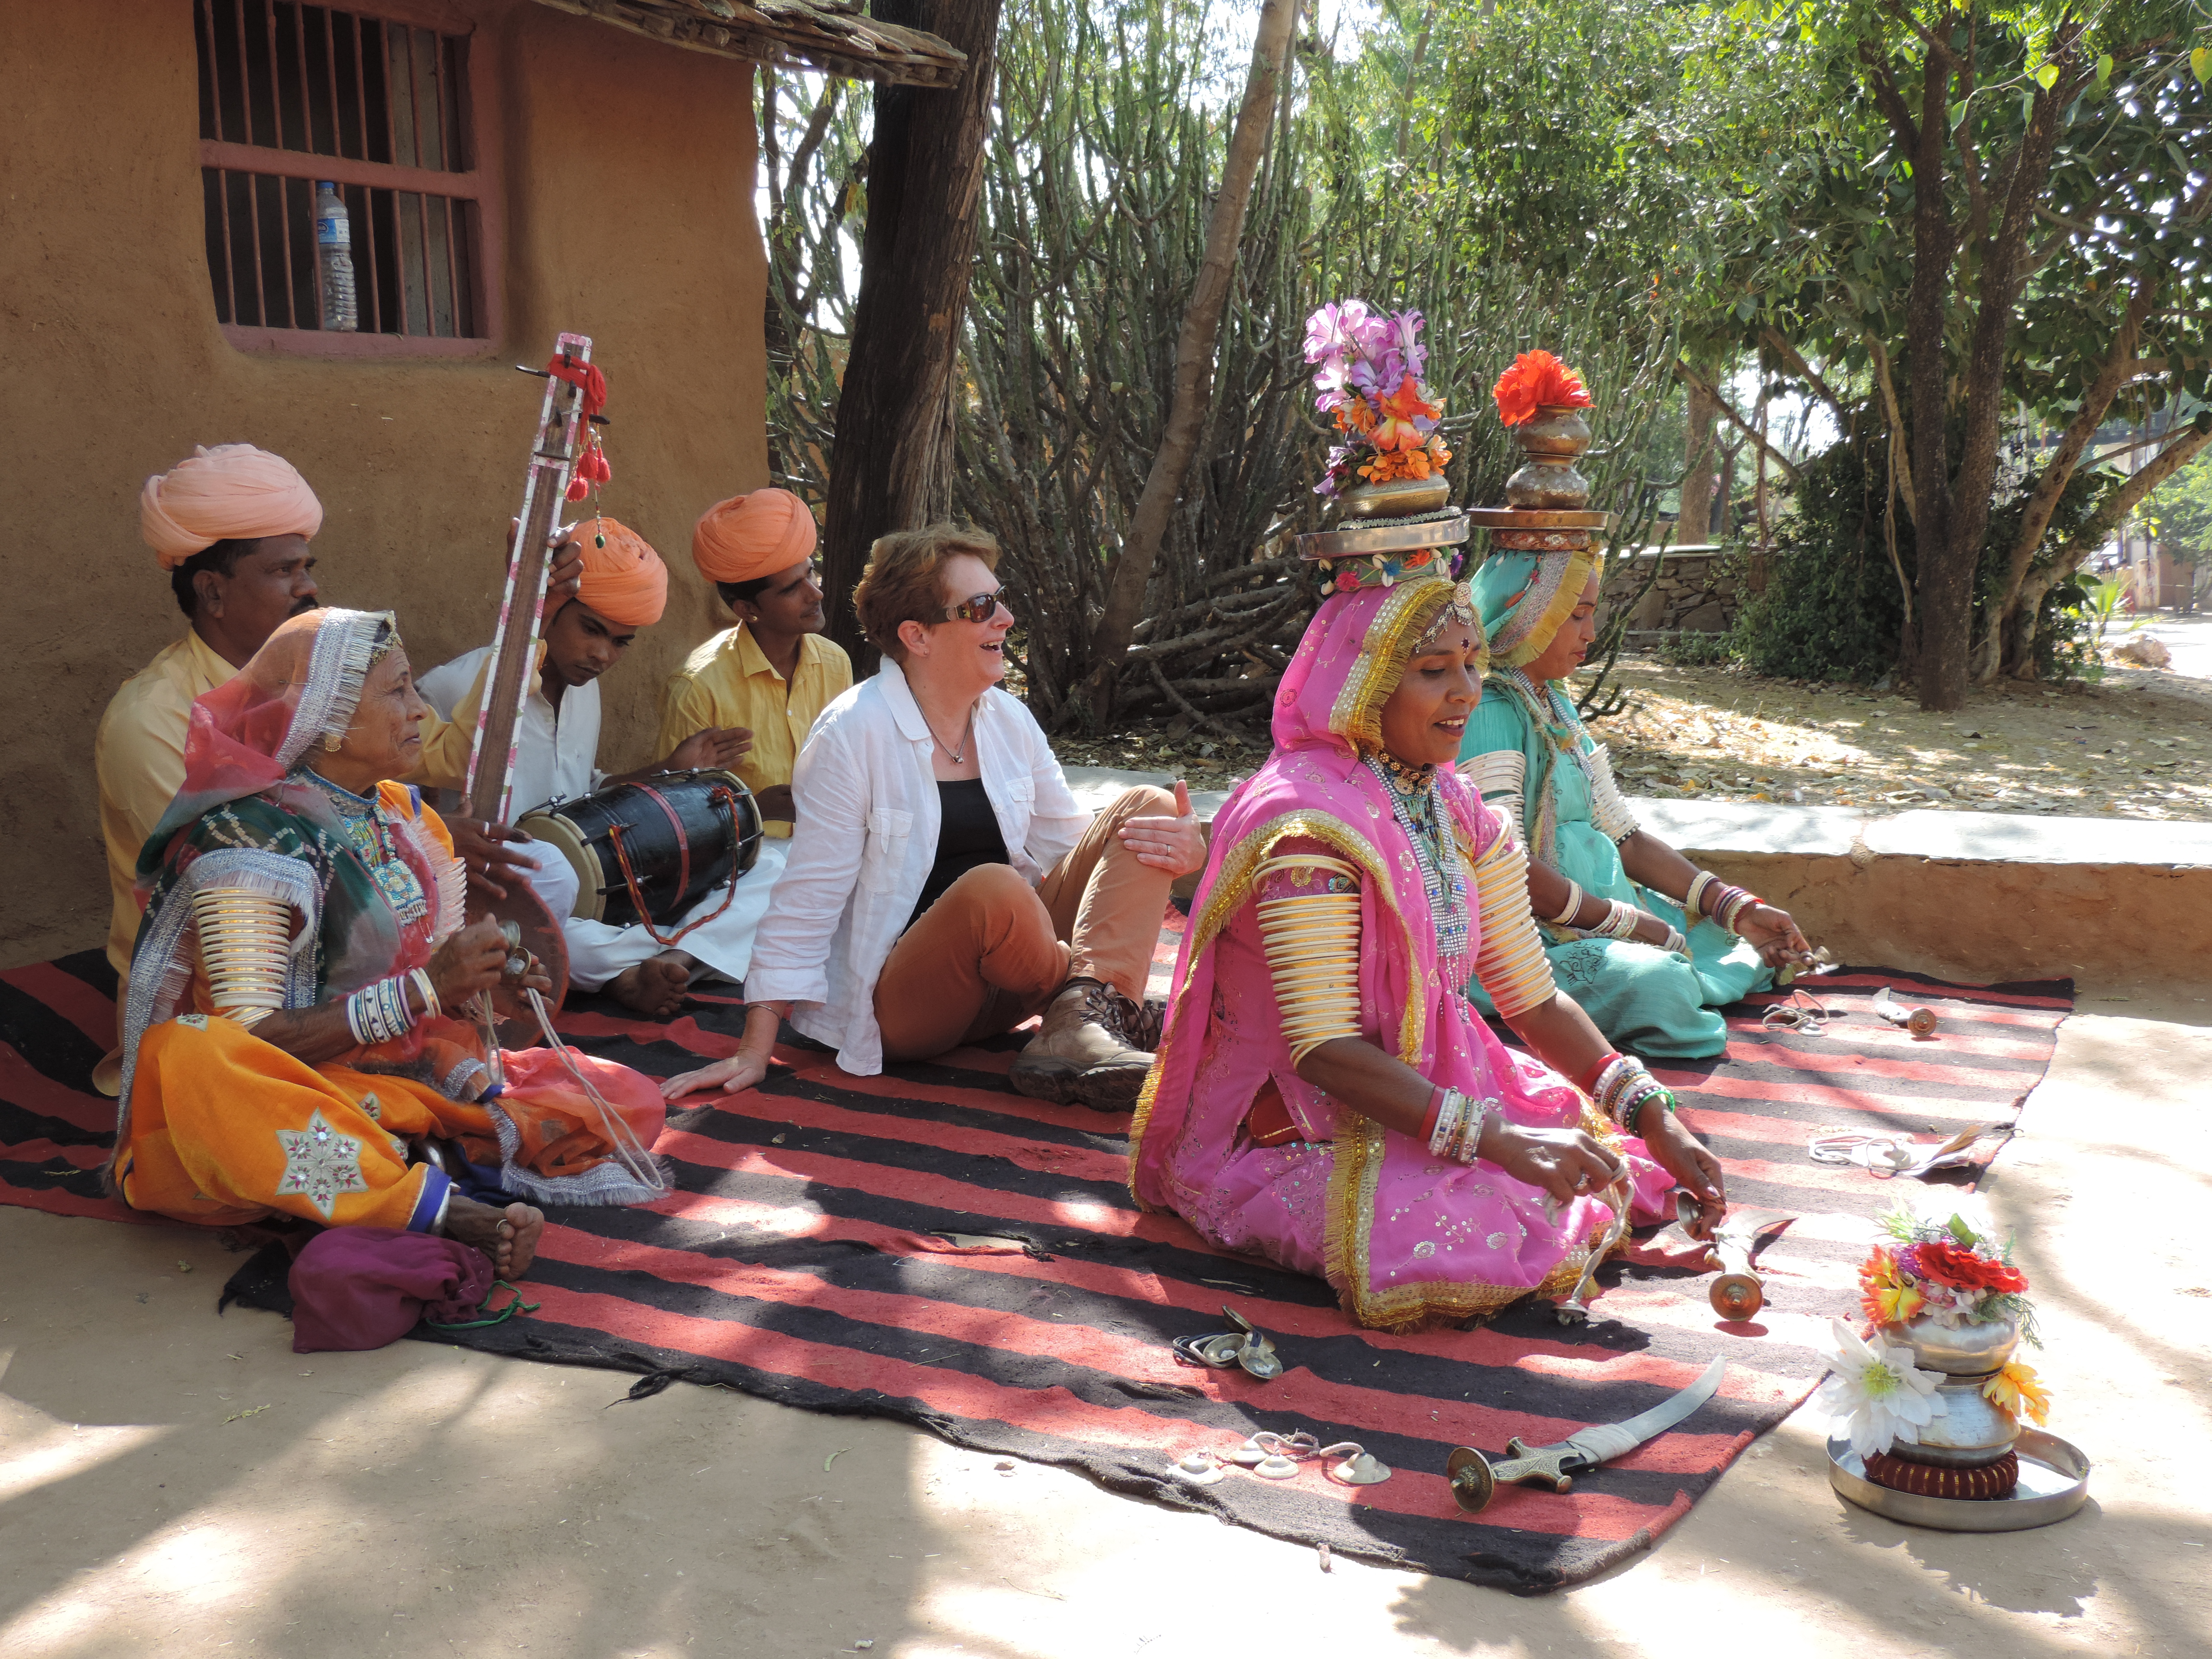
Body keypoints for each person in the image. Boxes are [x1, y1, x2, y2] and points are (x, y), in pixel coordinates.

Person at [1128, 550, 1727, 1331]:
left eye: (1472, 665)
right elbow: (1323, 1049)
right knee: (1464, 1237)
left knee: (1598, 1165)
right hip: (1290, 1117)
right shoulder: (1308, 824)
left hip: (1431, 1080)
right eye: (1433, 670)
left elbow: (1531, 996)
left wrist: (1652, 1112)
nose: (1466, 692)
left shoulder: (1458, 806)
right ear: (1365, 683)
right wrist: (1500, 1138)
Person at [112, 608, 669, 1278]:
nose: (418, 711)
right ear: (331, 716)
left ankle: (379, 1174)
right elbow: (252, 1040)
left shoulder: (400, 814)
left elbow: (422, 968)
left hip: (398, 1072)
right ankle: (437, 1208)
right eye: (398, 692)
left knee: (626, 1097)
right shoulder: (250, 843)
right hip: (295, 1089)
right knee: (193, 1055)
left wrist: (486, 980)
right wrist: (428, 989)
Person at [661, 523, 1207, 1111]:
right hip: (905, 1004)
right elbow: (807, 896)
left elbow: (1073, 856)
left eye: (1001, 600)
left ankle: (1081, 1021)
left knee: (1146, 812)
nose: (1004, 619)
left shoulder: (1007, 721)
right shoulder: (853, 732)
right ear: (917, 636)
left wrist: (1185, 860)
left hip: (1010, 981)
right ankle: (1095, 1006)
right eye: (979, 607)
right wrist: (753, 1049)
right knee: (995, 889)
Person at [96, 445, 578, 1087]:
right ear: (213, 590)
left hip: (355, 986)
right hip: (221, 1025)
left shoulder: (323, 672)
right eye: (285, 570)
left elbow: (446, 754)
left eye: (308, 567)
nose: (309, 587)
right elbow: (234, 869)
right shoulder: (151, 720)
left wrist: (528, 615)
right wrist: (411, 845)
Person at [1457, 546, 1814, 1059]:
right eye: (1576, 615)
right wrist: (1625, 923)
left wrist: (1733, 907)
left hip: (1598, 917)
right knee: (1661, 987)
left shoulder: (1553, 701)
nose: (1592, 632)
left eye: (1592, 613)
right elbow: (1503, 868)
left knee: (1741, 943)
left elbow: (1623, 836)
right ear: (1524, 615)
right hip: (1526, 939)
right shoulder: (1490, 710)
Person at [415, 516, 756, 1018]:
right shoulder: (459, 690)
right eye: (592, 630)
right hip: (500, 897)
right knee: (548, 926)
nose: (602, 655)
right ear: (549, 610)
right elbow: (405, 825)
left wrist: (668, 768)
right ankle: (635, 967)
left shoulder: (584, 692)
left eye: (621, 642)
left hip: (588, 892)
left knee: (758, 875)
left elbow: (584, 796)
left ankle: (647, 961)